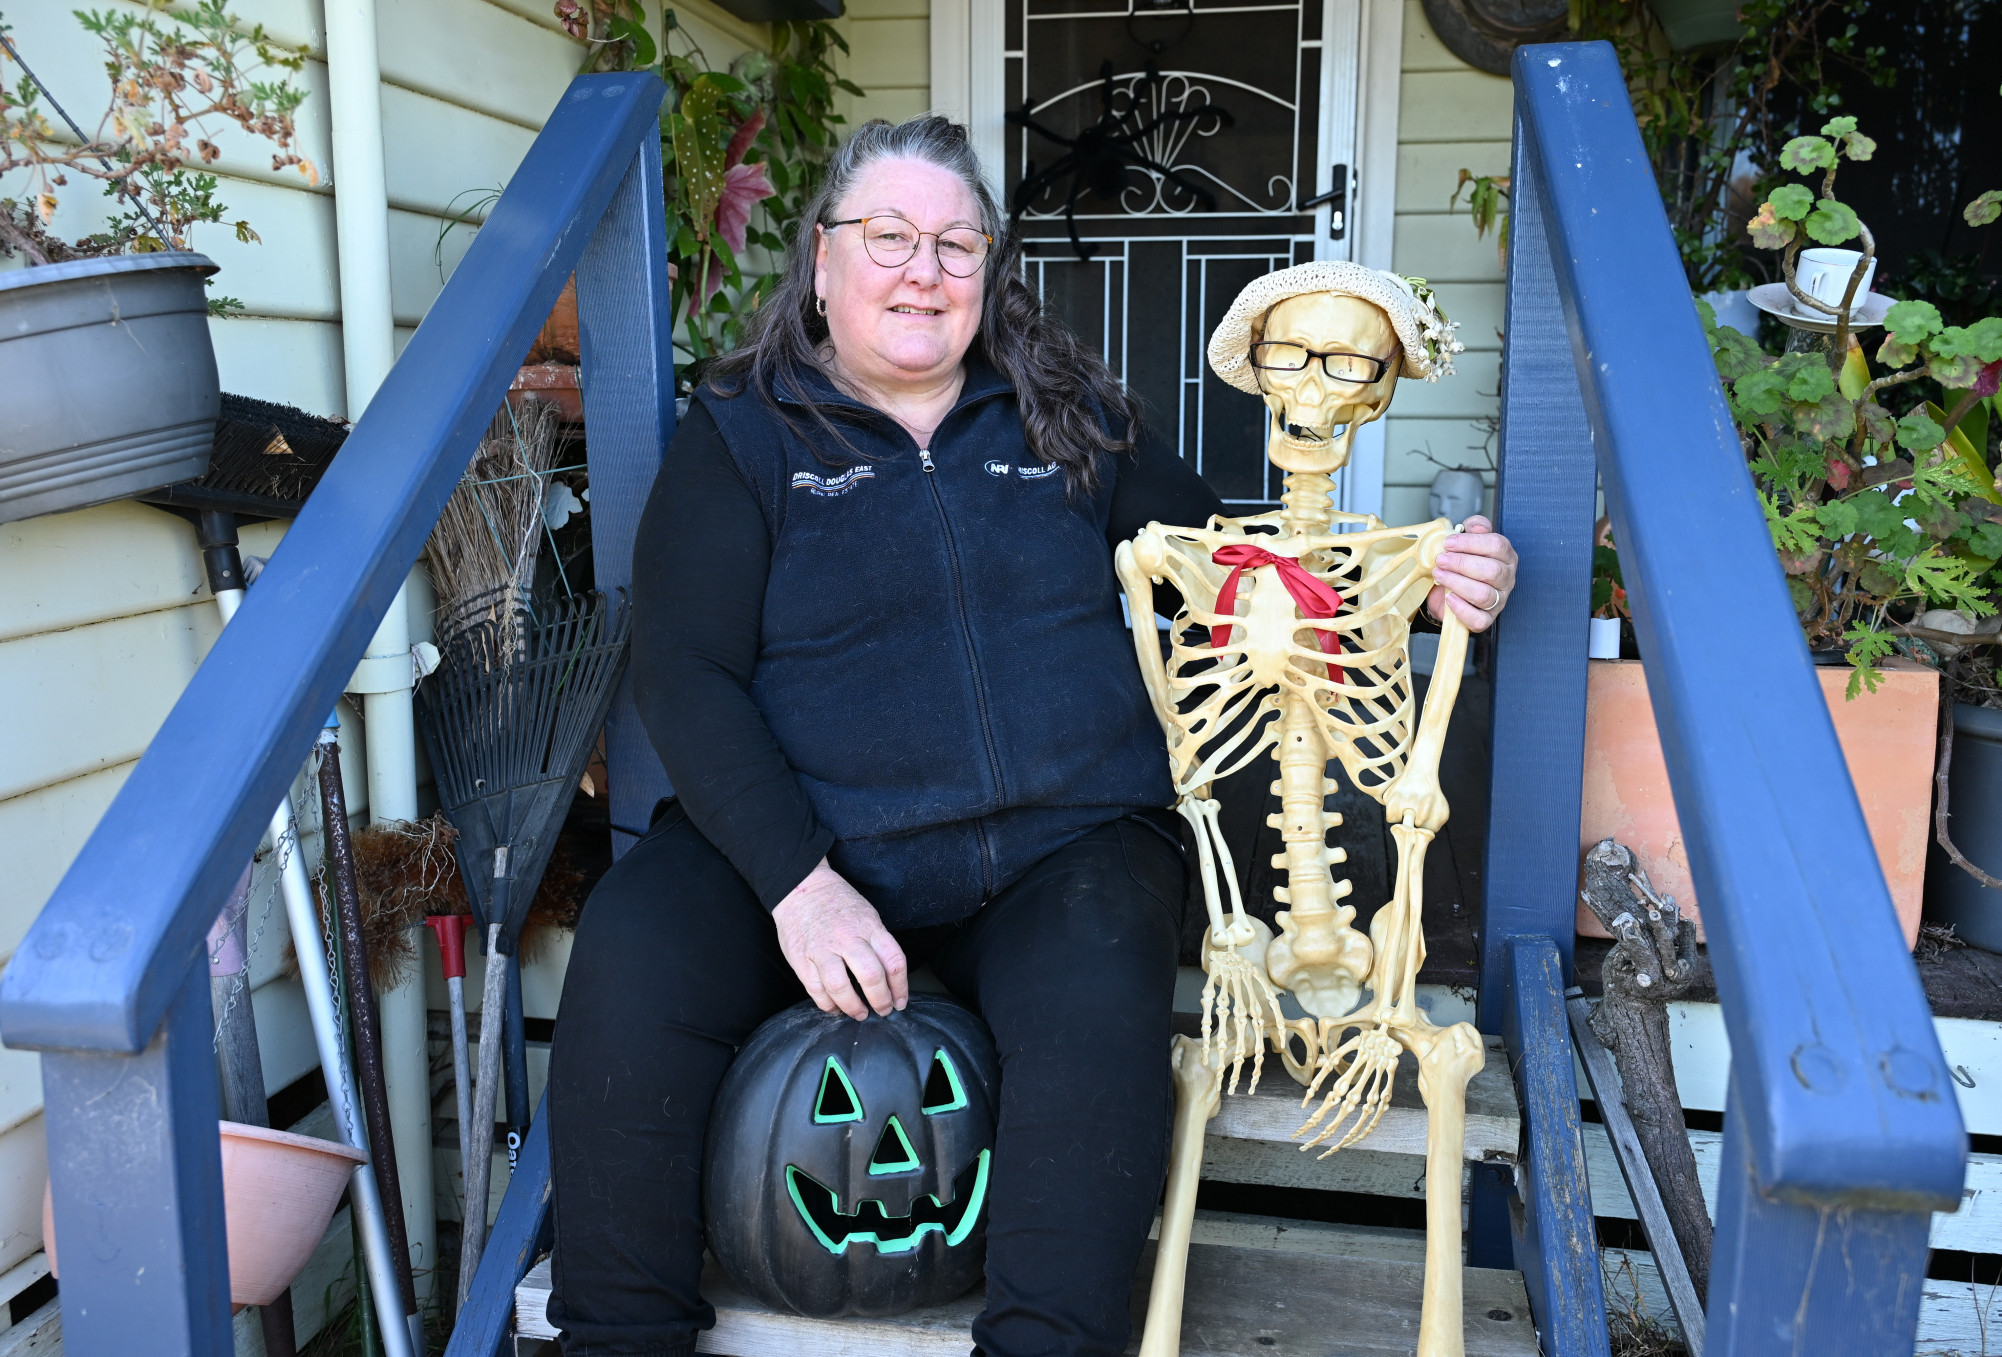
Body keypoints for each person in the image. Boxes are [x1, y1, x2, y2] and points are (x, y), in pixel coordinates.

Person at [545, 114, 1520, 1357]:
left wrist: (1426, 582)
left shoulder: (1067, 416)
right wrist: (800, 886)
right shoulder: (744, 432)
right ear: (823, 261)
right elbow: (685, 672)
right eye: (888, 237)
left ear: (989, 269)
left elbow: (1233, 572)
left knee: (1097, 1005)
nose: (923, 271)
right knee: (633, 945)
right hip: (809, 838)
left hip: (1059, 845)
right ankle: (618, 1339)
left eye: (957, 244)